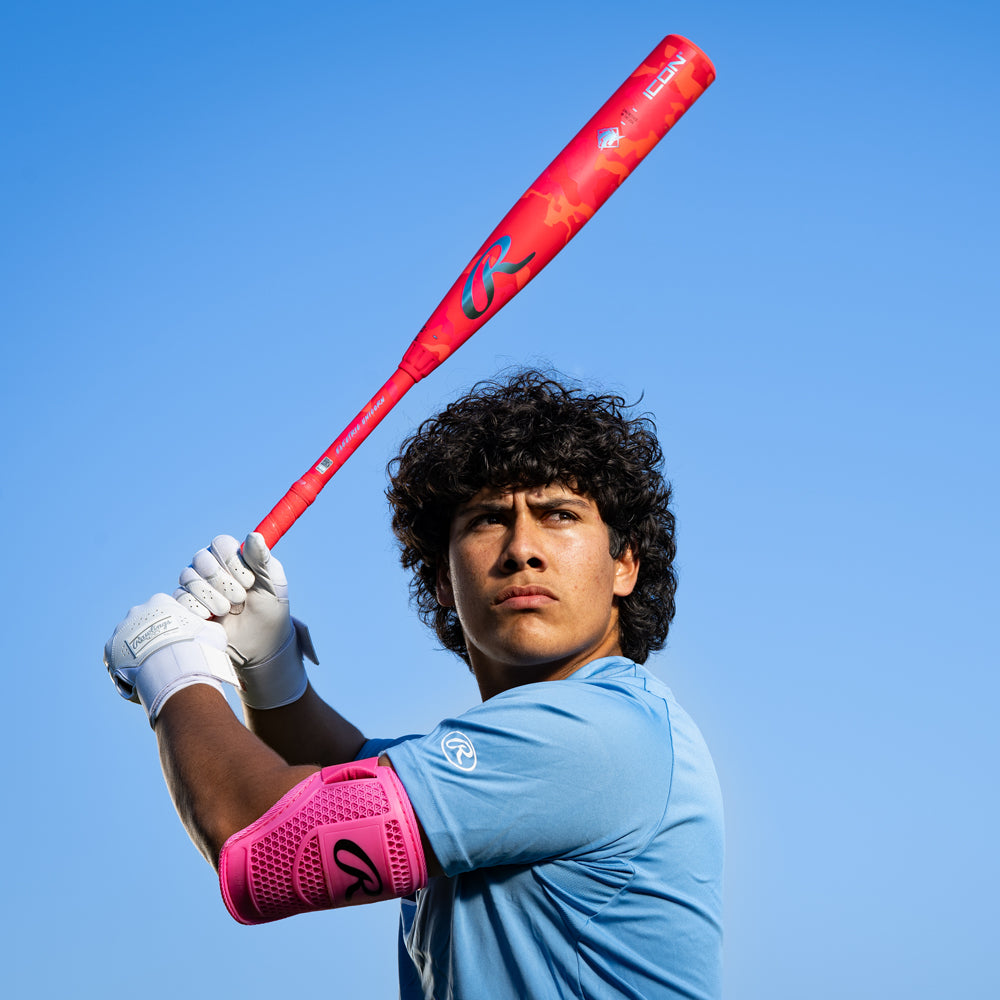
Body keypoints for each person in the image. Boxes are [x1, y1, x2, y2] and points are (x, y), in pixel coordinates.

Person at [105, 370, 724, 1000]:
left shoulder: (599, 733)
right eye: (487, 520)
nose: (522, 549)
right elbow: (341, 774)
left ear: (625, 564)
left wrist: (173, 668)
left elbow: (262, 848)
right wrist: (269, 667)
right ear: (441, 580)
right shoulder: (531, 753)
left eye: (558, 514)